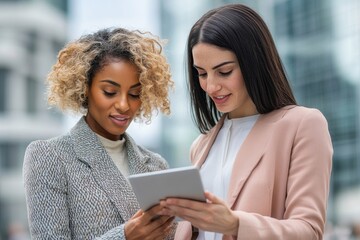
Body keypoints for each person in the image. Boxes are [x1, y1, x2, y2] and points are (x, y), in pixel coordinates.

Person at [159, 3, 333, 240]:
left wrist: (235, 225)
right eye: (201, 73)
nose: (211, 86)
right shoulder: (201, 145)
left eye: (224, 71)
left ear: (253, 63)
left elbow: (308, 231)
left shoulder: (302, 125)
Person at [23, 27, 175, 239]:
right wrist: (124, 236)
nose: (124, 105)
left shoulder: (156, 166)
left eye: (134, 94)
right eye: (110, 92)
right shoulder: (49, 156)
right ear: (85, 87)